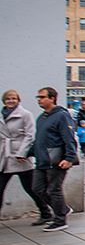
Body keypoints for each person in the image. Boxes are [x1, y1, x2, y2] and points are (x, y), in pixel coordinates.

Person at [0, 90, 50, 225]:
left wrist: (23, 153)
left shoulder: (25, 114)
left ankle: (46, 213)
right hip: (4, 157)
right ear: (4, 101)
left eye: (14, 98)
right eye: (8, 99)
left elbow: (30, 135)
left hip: (20, 157)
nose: (11, 101)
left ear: (18, 100)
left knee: (31, 188)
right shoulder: (0, 115)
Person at [31, 87, 77, 232]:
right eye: (38, 97)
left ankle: (60, 220)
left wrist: (69, 158)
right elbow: (39, 140)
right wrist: (27, 153)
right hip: (42, 160)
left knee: (53, 190)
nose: (39, 100)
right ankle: (62, 209)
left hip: (56, 160)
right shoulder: (42, 117)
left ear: (52, 98)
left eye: (42, 97)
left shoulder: (62, 116)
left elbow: (69, 138)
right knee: (37, 188)